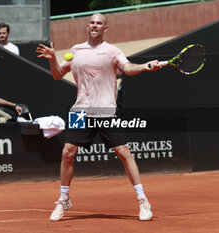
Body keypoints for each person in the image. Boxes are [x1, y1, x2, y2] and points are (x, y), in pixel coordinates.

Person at [36, 13, 161, 221]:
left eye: (99, 23)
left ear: (105, 28)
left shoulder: (113, 51)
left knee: (123, 153)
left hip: (106, 110)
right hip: (80, 110)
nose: (95, 26)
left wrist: (145, 66)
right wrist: (52, 60)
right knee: (67, 152)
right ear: (88, 26)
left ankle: (143, 201)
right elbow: (58, 75)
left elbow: (127, 68)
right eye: (92, 23)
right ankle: (64, 200)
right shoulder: (76, 50)